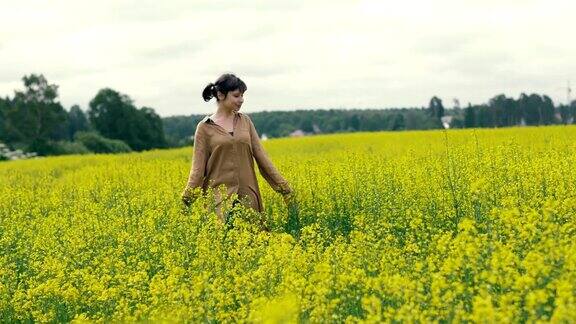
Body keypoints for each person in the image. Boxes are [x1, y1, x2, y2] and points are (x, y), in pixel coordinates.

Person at [181, 73, 296, 228]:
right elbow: (198, 170)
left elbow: (262, 158)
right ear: (221, 95)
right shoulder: (204, 128)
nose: (241, 100)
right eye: (236, 95)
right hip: (218, 200)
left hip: (248, 196)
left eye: (242, 95)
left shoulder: (245, 122)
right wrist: (185, 202)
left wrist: (284, 189)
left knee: (256, 244)